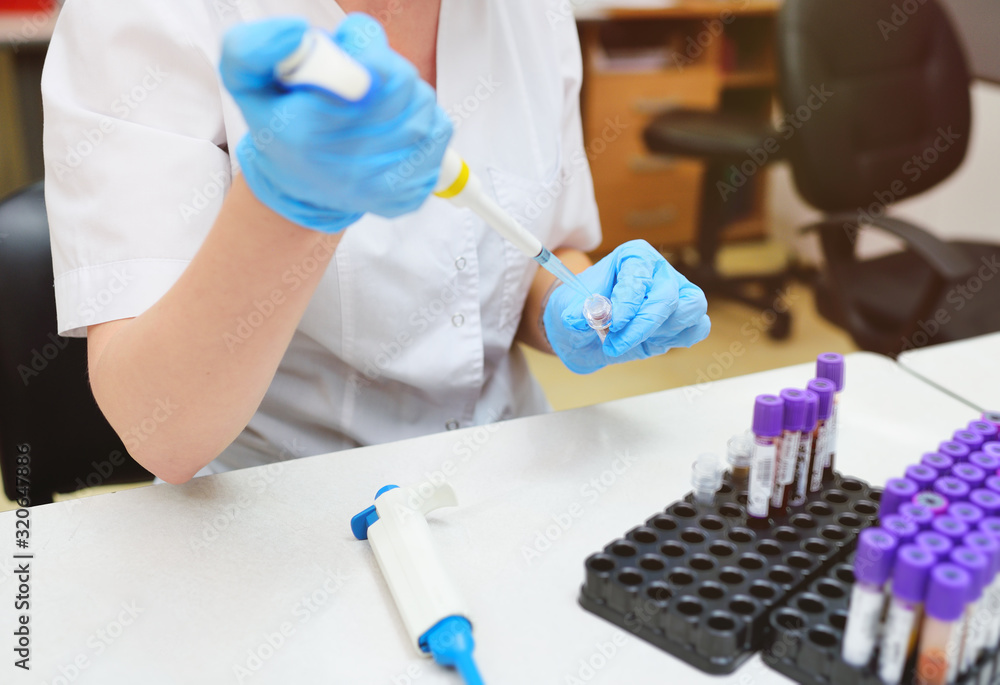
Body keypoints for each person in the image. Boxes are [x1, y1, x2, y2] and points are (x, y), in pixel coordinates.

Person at [41, 0, 710, 485]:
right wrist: (293, 207)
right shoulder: (148, 14)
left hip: (508, 473)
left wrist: (575, 298)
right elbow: (163, 429)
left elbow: (545, 247)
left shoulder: (533, 13)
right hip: (284, 505)